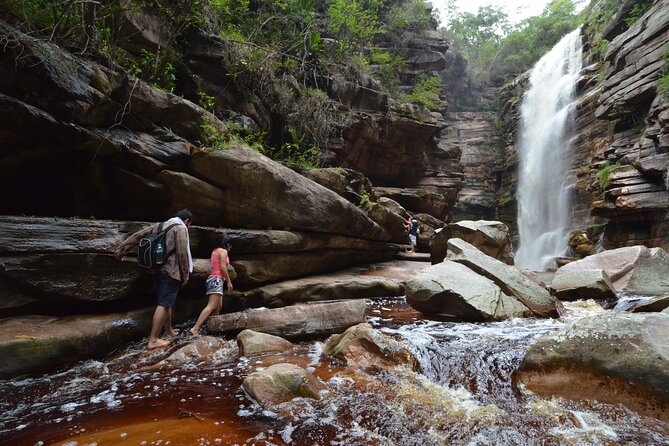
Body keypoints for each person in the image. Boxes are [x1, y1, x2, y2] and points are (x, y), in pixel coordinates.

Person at [115, 209, 194, 349]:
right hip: (171, 271)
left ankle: (169, 331)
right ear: (187, 221)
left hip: (157, 269)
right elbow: (182, 253)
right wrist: (185, 274)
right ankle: (153, 340)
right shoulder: (181, 228)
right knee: (164, 303)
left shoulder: (160, 225)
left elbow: (139, 235)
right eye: (189, 225)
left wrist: (123, 248)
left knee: (166, 302)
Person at [189, 234, 234, 336]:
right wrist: (229, 282)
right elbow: (223, 267)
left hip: (213, 279)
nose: (231, 248)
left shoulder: (215, 251)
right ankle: (195, 328)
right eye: (231, 245)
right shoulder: (223, 251)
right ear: (227, 244)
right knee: (212, 305)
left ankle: (214, 329)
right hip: (217, 279)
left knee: (218, 306)